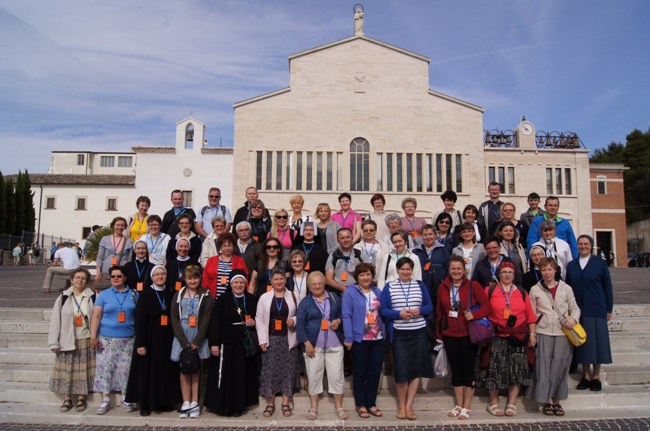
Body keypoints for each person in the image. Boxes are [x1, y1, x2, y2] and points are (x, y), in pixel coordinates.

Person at [477, 261, 537, 418]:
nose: (507, 275)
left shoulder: (522, 292)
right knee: (494, 369)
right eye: (504, 272)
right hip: (496, 335)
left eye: (510, 272)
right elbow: (482, 310)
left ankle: (511, 403)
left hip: (517, 336)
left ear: (514, 274)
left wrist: (532, 334)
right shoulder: (490, 290)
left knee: (516, 370)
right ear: (499, 274)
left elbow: (530, 315)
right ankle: (493, 402)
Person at [436, 256, 490, 420]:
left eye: (459, 268)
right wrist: (439, 335)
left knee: (468, 369)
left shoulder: (473, 285)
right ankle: (458, 404)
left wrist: (474, 315)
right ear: (449, 270)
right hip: (450, 334)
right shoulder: (443, 287)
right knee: (456, 370)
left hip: (469, 334)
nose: (456, 271)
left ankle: (467, 406)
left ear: (464, 270)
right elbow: (439, 312)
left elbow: (487, 306)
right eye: (453, 268)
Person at [379, 257, 434, 420]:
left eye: (408, 269)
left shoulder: (419, 285)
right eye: (402, 269)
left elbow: (429, 305)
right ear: (397, 270)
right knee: (402, 370)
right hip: (399, 333)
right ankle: (401, 406)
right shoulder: (390, 287)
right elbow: (383, 310)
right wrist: (398, 314)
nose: (405, 272)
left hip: (418, 332)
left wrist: (421, 311)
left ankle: (409, 406)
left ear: (412, 270)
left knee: (416, 370)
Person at [124, 265, 181, 416]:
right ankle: (145, 403)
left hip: (167, 337)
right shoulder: (146, 294)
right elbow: (140, 320)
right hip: (149, 337)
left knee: (165, 370)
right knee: (148, 371)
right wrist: (141, 343)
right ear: (152, 277)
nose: (160, 277)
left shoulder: (171, 293)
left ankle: (164, 401)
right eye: (156, 275)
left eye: (162, 274)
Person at [527, 258, 580, 416]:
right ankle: (546, 401)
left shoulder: (566, 288)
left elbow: (575, 308)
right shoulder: (535, 289)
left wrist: (573, 319)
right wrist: (533, 333)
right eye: (544, 270)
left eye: (550, 269)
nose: (547, 273)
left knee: (559, 368)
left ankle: (557, 400)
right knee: (543, 368)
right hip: (543, 332)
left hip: (562, 332)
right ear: (540, 272)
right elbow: (531, 313)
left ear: (555, 270)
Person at [205, 269, 259, 417]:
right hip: (227, 342)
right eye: (236, 282)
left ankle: (238, 405)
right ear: (231, 283)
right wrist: (214, 344)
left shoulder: (251, 299)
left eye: (241, 282)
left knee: (241, 374)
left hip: (245, 342)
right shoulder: (222, 300)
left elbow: (259, 318)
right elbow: (215, 323)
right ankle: (223, 405)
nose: (239, 285)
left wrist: (253, 322)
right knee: (225, 374)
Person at [297, 271, 348, 420]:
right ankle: (313, 407)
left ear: (324, 283)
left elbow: (341, 315)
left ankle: (339, 407)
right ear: (309, 286)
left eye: (320, 283)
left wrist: (338, 321)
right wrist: (306, 343)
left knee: (337, 375)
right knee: (313, 375)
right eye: (314, 284)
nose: (317, 286)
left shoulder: (334, 298)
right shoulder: (305, 302)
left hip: (334, 344)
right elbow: (300, 324)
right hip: (313, 345)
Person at [565, 235, 613, 392]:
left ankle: (596, 376)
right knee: (583, 344)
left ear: (591, 246)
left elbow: (608, 287)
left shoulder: (600, 264)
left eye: (586, 244)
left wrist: (608, 309)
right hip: (579, 311)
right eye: (580, 244)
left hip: (597, 308)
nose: (583, 246)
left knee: (597, 344)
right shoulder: (572, 265)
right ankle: (585, 375)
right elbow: (568, 288)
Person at [90, 265, 138, 415]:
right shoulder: (104, 295)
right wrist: (93, 336)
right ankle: (105, 399)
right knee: (106, 368)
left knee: (126, 369)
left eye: (119, 276)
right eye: (113, 276)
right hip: (107, 338)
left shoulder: (134, 294)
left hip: (128, 338)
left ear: (125, 278)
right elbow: (96, 316)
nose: (116, 279)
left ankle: (126, 396)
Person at [48, 268, 96, 413]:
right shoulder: (63, 297)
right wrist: (53, 342)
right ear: (71, 280)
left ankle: (81, 397)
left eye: (83, 278)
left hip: (86, 338)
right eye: (77, 278)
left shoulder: (92, 297)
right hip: (67, 339)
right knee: (68, 371)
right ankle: (67, 397)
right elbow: (55, 320)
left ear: (86, 281)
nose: (80, 280)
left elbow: (96, 318)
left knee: (83, 371)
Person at [342, 263, 385, 419]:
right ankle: (361, 404)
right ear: (357, 277)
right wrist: (348, 337)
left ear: (372, 276)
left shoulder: (378, 292)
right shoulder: (350, 292)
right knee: (360, 373)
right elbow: (346, 315)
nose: (365, 277)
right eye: (362, 275)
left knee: (374, 372)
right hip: (360, 339)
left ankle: (371, 403)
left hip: (377, 338)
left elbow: (383, 313)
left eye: (368, 274)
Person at [256, 268, 300, 418]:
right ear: (271, 281)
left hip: (289, 339)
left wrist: (293, 321)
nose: (279, 282)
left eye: (281, 279)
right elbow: (259, 320)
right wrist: (262, 340)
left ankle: (285, 402)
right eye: (276, 279)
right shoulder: (264, 297)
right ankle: (270, 402)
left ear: (285, 280)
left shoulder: (294, 295)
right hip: (271, 339)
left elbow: (301, 315)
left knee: (288, 370)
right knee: (270, 371)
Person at [170, 265, 212, 419]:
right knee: (184, 370)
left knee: (195, 370)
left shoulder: (206, 295)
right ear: (185, 279)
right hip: (182, 335)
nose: (192, 281)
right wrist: (183, 340)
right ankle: (185, 401)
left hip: (197, 335)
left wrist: (197, 340)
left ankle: (195, 402)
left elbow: (207, 318)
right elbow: (174, 317)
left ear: (200, 278)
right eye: (189, 278)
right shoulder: (178, 295)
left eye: (195, 277)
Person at [202, 232, 248, 299]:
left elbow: (245, 279)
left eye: (229, 245)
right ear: (220, 247)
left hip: (233, 298)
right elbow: (205, 280)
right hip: (212, 297)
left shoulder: (240, 261)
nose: (227, 248)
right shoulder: (211, 260)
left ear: (233, 246)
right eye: (224, 246)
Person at [413, 224, 450, 303]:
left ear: (435, 235)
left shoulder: (443, 250)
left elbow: (448, 268)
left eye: (430, 234)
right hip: (422, 287)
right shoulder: (416, 252)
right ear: (421, 236)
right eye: (425, 235)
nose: (428, 237)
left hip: (440, 286)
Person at [95, 217, 134, 289]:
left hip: (121, 272)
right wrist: (98, 271)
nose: (120, 227)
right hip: (106, 272)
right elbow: (100, 257)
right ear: (113, 226)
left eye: (122, 225)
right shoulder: (105, 239)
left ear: (125, 227)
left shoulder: (129, 241)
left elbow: (130, 260)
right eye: (118, 225)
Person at [325, 228, 365, 293]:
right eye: (342, 238)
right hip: (338, 293)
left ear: (352, 238)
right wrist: (342, 288)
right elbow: (328, 279)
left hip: (358, 292)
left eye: (348, 237)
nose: (345, 240)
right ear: (338, 240)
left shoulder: (361, 254)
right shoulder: (333, 256)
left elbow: (369, 274)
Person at [495, 221, 527, 286]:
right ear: (500, 233)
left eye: (511, 231)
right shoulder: (497, 248)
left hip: (520, 281)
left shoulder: (519, 247)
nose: (509, 233)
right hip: (504, 282)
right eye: (506, 231)